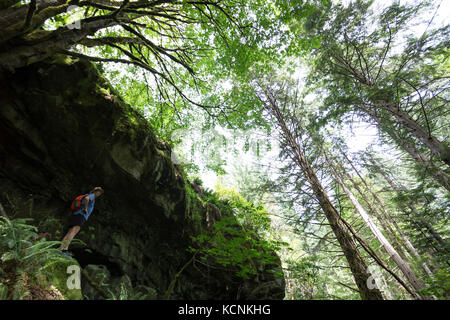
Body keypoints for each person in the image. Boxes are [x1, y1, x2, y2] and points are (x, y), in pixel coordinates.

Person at [60, 187, 104, 256]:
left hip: (76, 214)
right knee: (74, 231)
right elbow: (87, 199)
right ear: (95, 191)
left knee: (70, 231)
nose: (99, 194)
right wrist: (85, 208)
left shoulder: (88, 195)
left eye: (100, 193)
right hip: (81, 215)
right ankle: (65, 249)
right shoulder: (92, 195)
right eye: (98, 192)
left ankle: (61, 248)